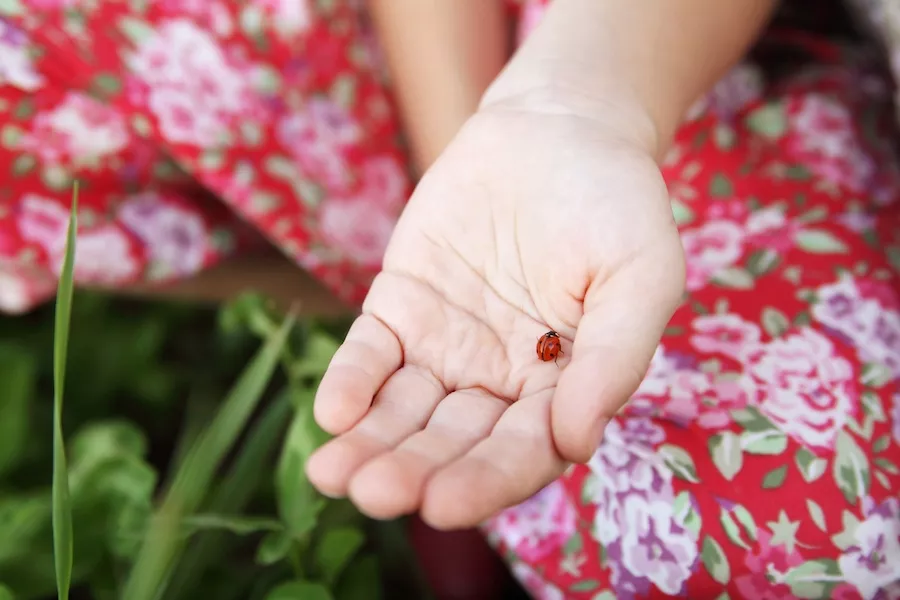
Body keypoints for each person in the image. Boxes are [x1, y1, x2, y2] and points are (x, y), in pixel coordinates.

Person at [3, 1, 900, 598]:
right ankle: (395, 266)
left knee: (798, 532)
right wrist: (526, 127)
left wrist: (564, 119)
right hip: (552, 48)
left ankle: (393, 268)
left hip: (711, 66)